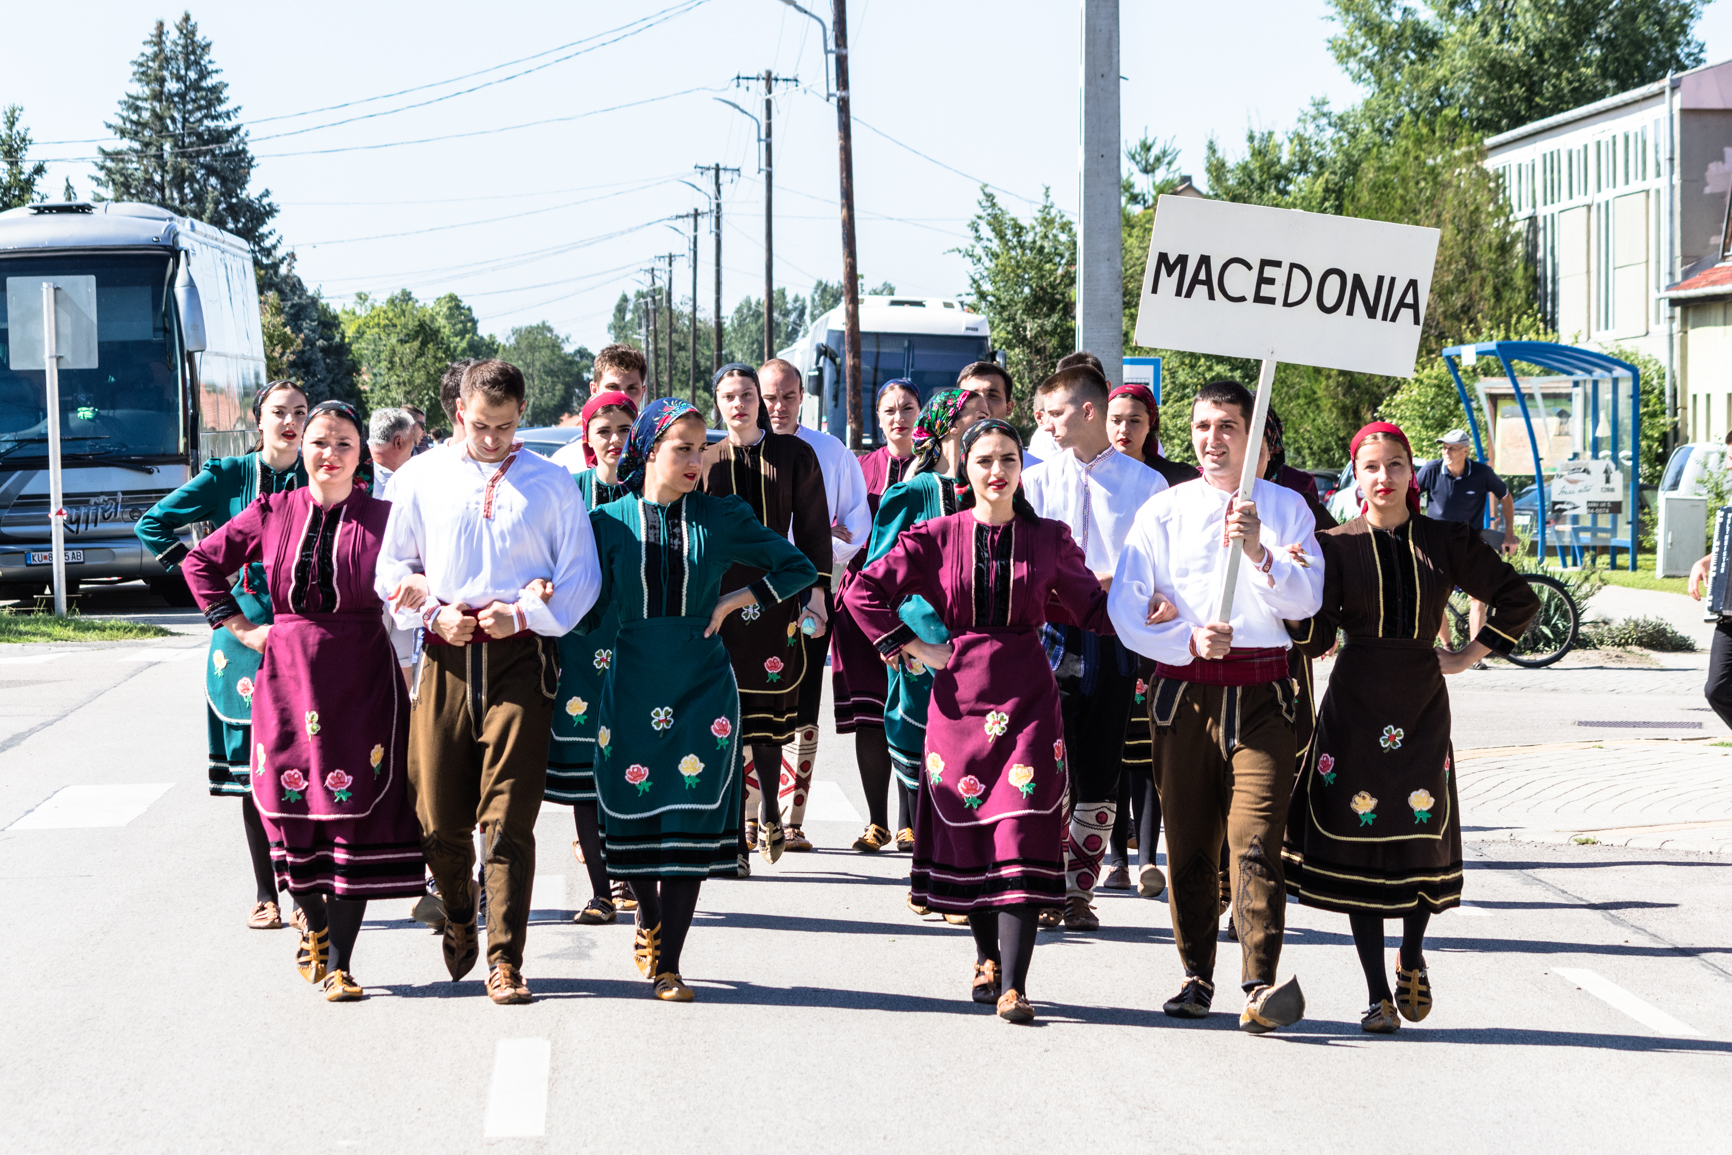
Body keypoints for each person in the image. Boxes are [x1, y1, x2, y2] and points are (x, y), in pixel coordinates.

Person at [847, 419, 1114, 1022]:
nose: (997, 471)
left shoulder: (1049, 537)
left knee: (1019, 832)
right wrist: (914, 646)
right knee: (972, 834)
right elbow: (862, 591)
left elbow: (1094, 611)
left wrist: (1154, 601)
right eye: (985, 460)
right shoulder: (936, 536)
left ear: (1022, 469)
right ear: (964, 469)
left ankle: (1016, 986)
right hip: (958, 702)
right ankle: (986, 958)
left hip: (1029, 703)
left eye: (1009, 460)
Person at [1283, 422, 1537, 1033]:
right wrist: (1291, 585)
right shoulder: (1333, 545)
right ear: (1356, 477)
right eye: (1371, 467)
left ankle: (1413, 954)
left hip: (1421, 704)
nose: (1384, 477)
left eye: (1395, 464)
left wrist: (1468, 654)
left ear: (1411, 471)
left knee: (1417, 831)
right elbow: (1315, 638)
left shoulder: (1445, 539)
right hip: (1354, 705)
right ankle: (1377, 995)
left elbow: (1518, 597)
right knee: (1359, 841)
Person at [182, 401, 427, 1001]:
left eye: (344, 443)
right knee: (288, 808)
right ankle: (312, 923)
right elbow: (201, 562)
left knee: (352, 814)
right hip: (286, 681)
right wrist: (241, 629)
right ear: (303, 448)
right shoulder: (273, 510)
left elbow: (431, 570)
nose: (330, 454)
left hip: (361, 680)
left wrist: (422, 585)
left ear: (360, 454)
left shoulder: (387, 518)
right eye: (320, 442)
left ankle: (341, 963)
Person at [376, 359, 601, 1005]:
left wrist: (521, 614)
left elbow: (581, 577)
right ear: (459, 414)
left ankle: (505, 959)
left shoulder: (551, 483)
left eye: (504, 426)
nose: (493, 437)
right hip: (445, 659)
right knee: (436, 817)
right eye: (480, 425)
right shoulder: (420, 478)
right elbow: (391, 567)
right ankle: (457, 907)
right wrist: (429, 610)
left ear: (520, 413)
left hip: (519, 662)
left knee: (506, 819)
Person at [584, 398, 819, 1000]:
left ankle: (670, 964)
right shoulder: (607, 522)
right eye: (681, 448)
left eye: (700, 448)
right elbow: (586, 609)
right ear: (648, 451)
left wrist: (736, 600)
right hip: (631, 685)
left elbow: (797, 567)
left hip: (702, 687)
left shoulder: (720, 515)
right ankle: (648, 918)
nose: (695, 460)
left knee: (688, 819)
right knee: (632, 814)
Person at [1107, 379, 1323, 1033]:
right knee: (1190, 840)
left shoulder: (1286, 508)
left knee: (1255, 839)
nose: (1213, 438)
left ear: (1252, 436)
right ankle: (1196, 974)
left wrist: (1259, 552)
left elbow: (1307, 599)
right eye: (1203, 426)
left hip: (1264, 695)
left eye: (1227, 425)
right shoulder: (1163, 512)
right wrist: (1185, 638)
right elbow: (1125, 607)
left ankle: (1259, 984)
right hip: (1186, 694)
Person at [134, 379, 308, 930]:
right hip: (242, 632)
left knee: (307, 760)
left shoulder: (322, 474)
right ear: (259, 419)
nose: (290, 422)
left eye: (299, 412)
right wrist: (214, 585)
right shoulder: (229, 476)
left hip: (306, 629)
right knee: (254, 769)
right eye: (279, 412)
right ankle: (266, 893)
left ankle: (308, 893)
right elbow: (151, 523)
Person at [1020, 364, 1166, 931]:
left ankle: (1078, 891)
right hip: (1048, 635)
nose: (1047, 424)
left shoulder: (1146, 485)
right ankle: (1042, 885)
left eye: (1056, 413)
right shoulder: (1036, 480)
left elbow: (1156, 566)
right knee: (1045, 762)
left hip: (1112, 634)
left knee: (1101, 765)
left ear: (1087, 411)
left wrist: (1113, 582)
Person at [700, 363, 831, 869]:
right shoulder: (705, 458)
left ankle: (772, 812)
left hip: (779, 598)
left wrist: (817, 594)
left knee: (770, 718)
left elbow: (814, 529)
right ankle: (734, 837)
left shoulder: (795, 454)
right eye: (728, 396)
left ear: (760, 399)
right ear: (717, 403)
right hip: (722, 602)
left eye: (747, 394)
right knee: (728, 718)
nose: (739, 404)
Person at [863, 387, 991, 889]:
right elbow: (878, 575)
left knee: (978, 755)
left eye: (990, 414)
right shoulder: (914, 493)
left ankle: (969, 871)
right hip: (928, 648)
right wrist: (912, 638)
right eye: (976, 415)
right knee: (925, 752)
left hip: (982, 647)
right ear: (947, 427)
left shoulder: (991, 491)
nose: (986, 421)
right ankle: (929, 874)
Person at [762, 357, 871, 852]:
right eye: (769, 397)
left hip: (811, 593)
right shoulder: (736, 453)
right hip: (752, 597)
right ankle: (752, 818)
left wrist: (810, 556)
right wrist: (812, 539)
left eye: (788, 396)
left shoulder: (830, 452)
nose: (778, 407)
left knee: (805, 699)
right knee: (754, 701)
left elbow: (855, 526)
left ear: (802, 396)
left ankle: (793, 820)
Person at [549, 390, 639, 924]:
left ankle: (632, 879)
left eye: (625, 429)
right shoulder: (569, 491)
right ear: (587, 437)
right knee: (586, 774)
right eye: (603, 431)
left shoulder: (650, 490)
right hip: (578, 644)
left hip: (636, 641)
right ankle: (602, 892)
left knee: (631, 766)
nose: (614, 440)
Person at [834, 379, 920, 851]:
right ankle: (877, 821)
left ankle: (910, 823)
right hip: (861, 604)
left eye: (907, 408)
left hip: (914, 605)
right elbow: (831, 514)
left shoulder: (933, 465)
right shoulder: (859, 466)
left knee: (911, 709)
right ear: (877, 417)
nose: (898, 417)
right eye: (889, 409)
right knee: (870, 713)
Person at [1417, 429, 1518, 652]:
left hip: (1469, 544)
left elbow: (1505, 496)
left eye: (1452, 448)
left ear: (1465, 451)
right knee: (1434, 599)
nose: (1446, 452)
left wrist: (1509, 534)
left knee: (1477, 597)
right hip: (1436, 545)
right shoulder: (1431, 470)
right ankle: (1448, 647)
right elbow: (1409, 496)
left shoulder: (1482, 473)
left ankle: (1474, 653)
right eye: (1444, 447)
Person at [552, 344, 649, 471]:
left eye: (632, 388)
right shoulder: (566, 462)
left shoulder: (655, 457)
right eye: (613, 387)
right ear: (594, 390)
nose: (623, 397)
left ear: (642, 393)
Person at [1106, 380, 1198, 488]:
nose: (1124, 429)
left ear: (1150, 424)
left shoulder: (1178, 477)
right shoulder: (1092, 474)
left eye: (1134, 421)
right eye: (1116, 420)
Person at [957, 360, 1039, 464]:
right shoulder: (942, 468)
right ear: (957, 408)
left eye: (992, 396)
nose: (983, 404)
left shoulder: (1034, 469)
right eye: (972, 397)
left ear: (1009, 408)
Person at [368, 407, 418, 496]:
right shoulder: (403, 481)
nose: (413, 447)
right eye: (412, 440)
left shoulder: (352, 473)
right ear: (398, 443)